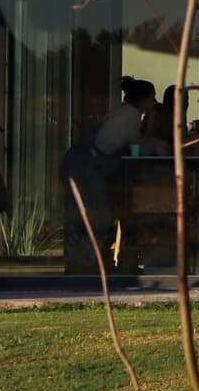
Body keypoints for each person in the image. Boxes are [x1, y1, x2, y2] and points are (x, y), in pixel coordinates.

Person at [62, 77, 157, 281]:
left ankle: (89, 262)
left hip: (92, 167)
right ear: (144, 99)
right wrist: (150, 126)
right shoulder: (130, 116)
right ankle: (89, 265)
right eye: (152, 98)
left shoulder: (123, 112)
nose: (154, 103)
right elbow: (135, 147)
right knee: (100, 217)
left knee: (97, 216)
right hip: (95, 170)